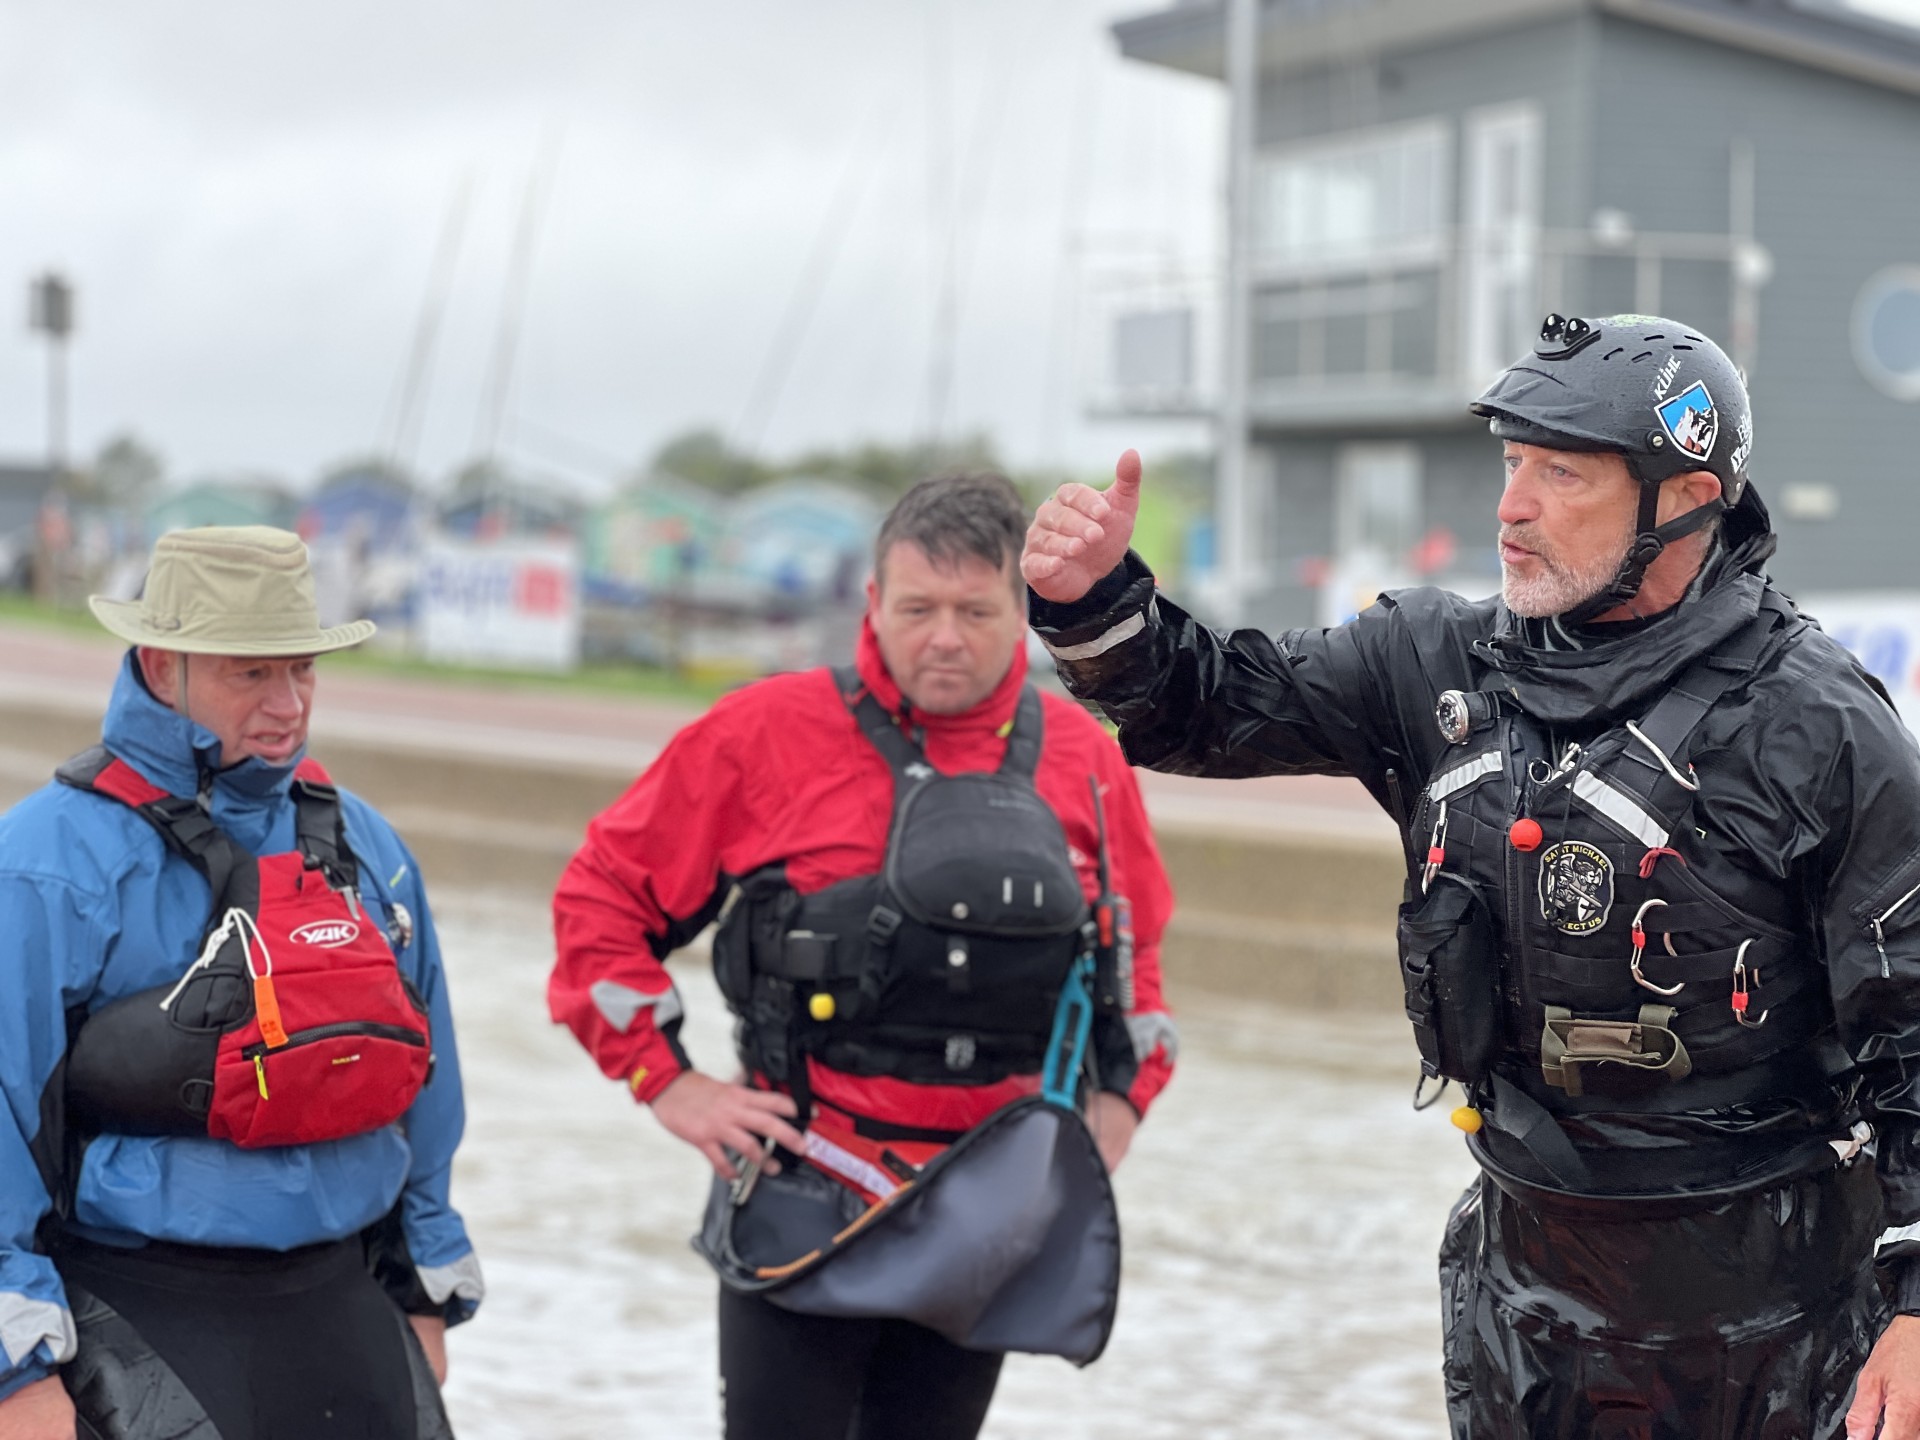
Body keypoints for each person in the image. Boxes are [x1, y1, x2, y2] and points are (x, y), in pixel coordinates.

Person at [1023, 313, 1920, 1440]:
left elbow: (1916, 1032)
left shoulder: (1820, 726)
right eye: (1510, 462)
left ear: (1686, 500)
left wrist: (1916, 1309)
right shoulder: (1432, 663)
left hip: (1773, 1311)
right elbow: (1202, 705)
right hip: (1523, 1297)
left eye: (1560, 470)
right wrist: (1096, 604)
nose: (1511, 505)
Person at [550, 472, 1177, 1440]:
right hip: (802, 1190)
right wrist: (669, 1084)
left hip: (983, 1208)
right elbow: (600, 899)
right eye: (918, 607)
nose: (944, 637)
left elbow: (1132, 963)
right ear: (873, 602)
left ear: (1020, 612)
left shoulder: (1084, 763)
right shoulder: (761, 733)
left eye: (975, 610)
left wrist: (1118, 1107)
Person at [0, 526, 481, 1440]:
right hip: (142, 1311)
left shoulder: (370, 851)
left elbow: (430, 1084)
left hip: (347, 1312)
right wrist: (13, 1369)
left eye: (300, 670)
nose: (286, 704)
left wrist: (427, 1284)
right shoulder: (46, 864)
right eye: (248, 673)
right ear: (160, 662)